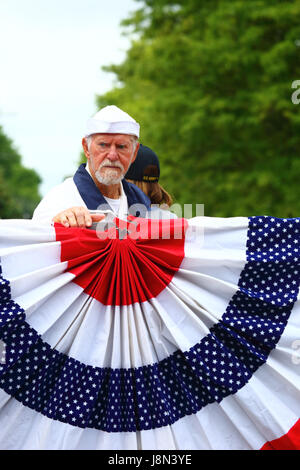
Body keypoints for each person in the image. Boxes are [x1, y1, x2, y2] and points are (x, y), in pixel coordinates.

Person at [32, 105, 151, 227]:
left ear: (135, 152)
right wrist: (56, 224)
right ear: (86, 148)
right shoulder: (59, 201)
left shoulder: (142, 202)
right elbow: (36, 239)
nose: (112, 155)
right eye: (103, 145)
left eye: (121, 146)